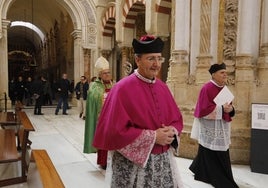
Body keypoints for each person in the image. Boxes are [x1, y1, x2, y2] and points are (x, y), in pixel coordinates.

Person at [92, 35, 184, 187]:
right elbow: (114, 132)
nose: (156, 64)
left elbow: (176, 119)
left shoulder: (163, 87)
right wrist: (153, 137)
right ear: (138, 60)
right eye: (151, 59)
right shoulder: (121, 89)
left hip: (162, 162)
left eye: (159, 58)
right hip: (133, 166)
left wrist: (171, 132)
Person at [189, 63, 239, 188]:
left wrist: (230, 109)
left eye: (225, 72)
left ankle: (200, 170)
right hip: (210, 125)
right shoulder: (207, 88)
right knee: (211, 149)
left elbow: (229, 105)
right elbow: (203, 109)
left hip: (221, 124)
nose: (225, 74)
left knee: (210, 149)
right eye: (222, 72)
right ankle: (219, 178)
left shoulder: (223, 87)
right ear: (213, 74)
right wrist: (222, 109)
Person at [83, 56, 114, 169]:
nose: (107, 75)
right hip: (102, 119)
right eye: (105, 73)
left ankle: (114, 162)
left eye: (109, 72)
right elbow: (93, 100)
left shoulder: (114, 85)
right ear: (100, 75)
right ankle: (104, 162)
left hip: (114, 119)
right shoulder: (94, 87)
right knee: (104, 141)